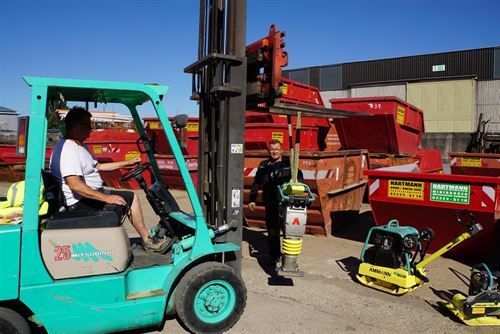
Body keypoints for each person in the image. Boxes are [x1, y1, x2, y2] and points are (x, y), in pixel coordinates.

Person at [49, 106, 166, 252]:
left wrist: (127, 163)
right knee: (131, 198)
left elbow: (99, 167)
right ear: (76, 127)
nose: (90, 130)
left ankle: (146, 238)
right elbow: (75, 185)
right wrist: (106, 198)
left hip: (89, 196)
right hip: (80, 203)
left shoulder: (79, 146)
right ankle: (147, 240)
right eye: (87, 126)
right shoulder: (69, 150)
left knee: (130, 197)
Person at [248, 139, 303, 266]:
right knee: (273, 230)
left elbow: (299, 177)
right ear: (268, 151)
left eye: (277, 149)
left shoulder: (288, 163)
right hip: (270, 202)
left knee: (289, 230)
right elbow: (257, 182)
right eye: (272, 149)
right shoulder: (263, 165)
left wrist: (300, 193)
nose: (274, 152)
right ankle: (274, 256)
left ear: (281, 150)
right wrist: (252, 199)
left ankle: (289, 258)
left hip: (286, 203)